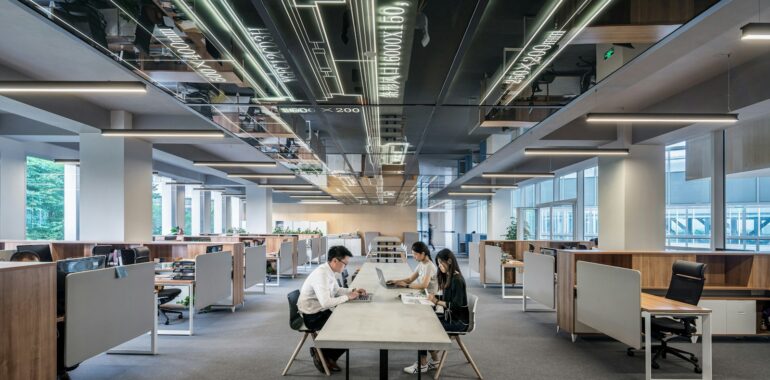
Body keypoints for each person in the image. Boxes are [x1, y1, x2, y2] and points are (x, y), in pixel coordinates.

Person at [298, 246, 367, 373]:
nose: (345, 267)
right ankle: (324, 355)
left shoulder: (329, 271)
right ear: (335, 260)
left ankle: (324, 354)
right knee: (349, 328)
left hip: (319, 310)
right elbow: (326, 303)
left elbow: (336, 290)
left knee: (351, 323)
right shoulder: (321, 275)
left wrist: (353, 291)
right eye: (345, 264)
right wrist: (347, 297)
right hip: (312, 315)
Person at [404, 248, 469, 374]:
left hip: (458, 322)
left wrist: (436, 302)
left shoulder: (457, 280)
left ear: (449, 261)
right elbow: (449, 299)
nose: (439, 266)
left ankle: (423, 363)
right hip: (450, 317)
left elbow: (456, 306)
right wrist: (434, 297)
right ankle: (434, 360)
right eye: (438, 263)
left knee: (423, 327)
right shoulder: (451, 277)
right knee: (423, 321)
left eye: (440, 263)